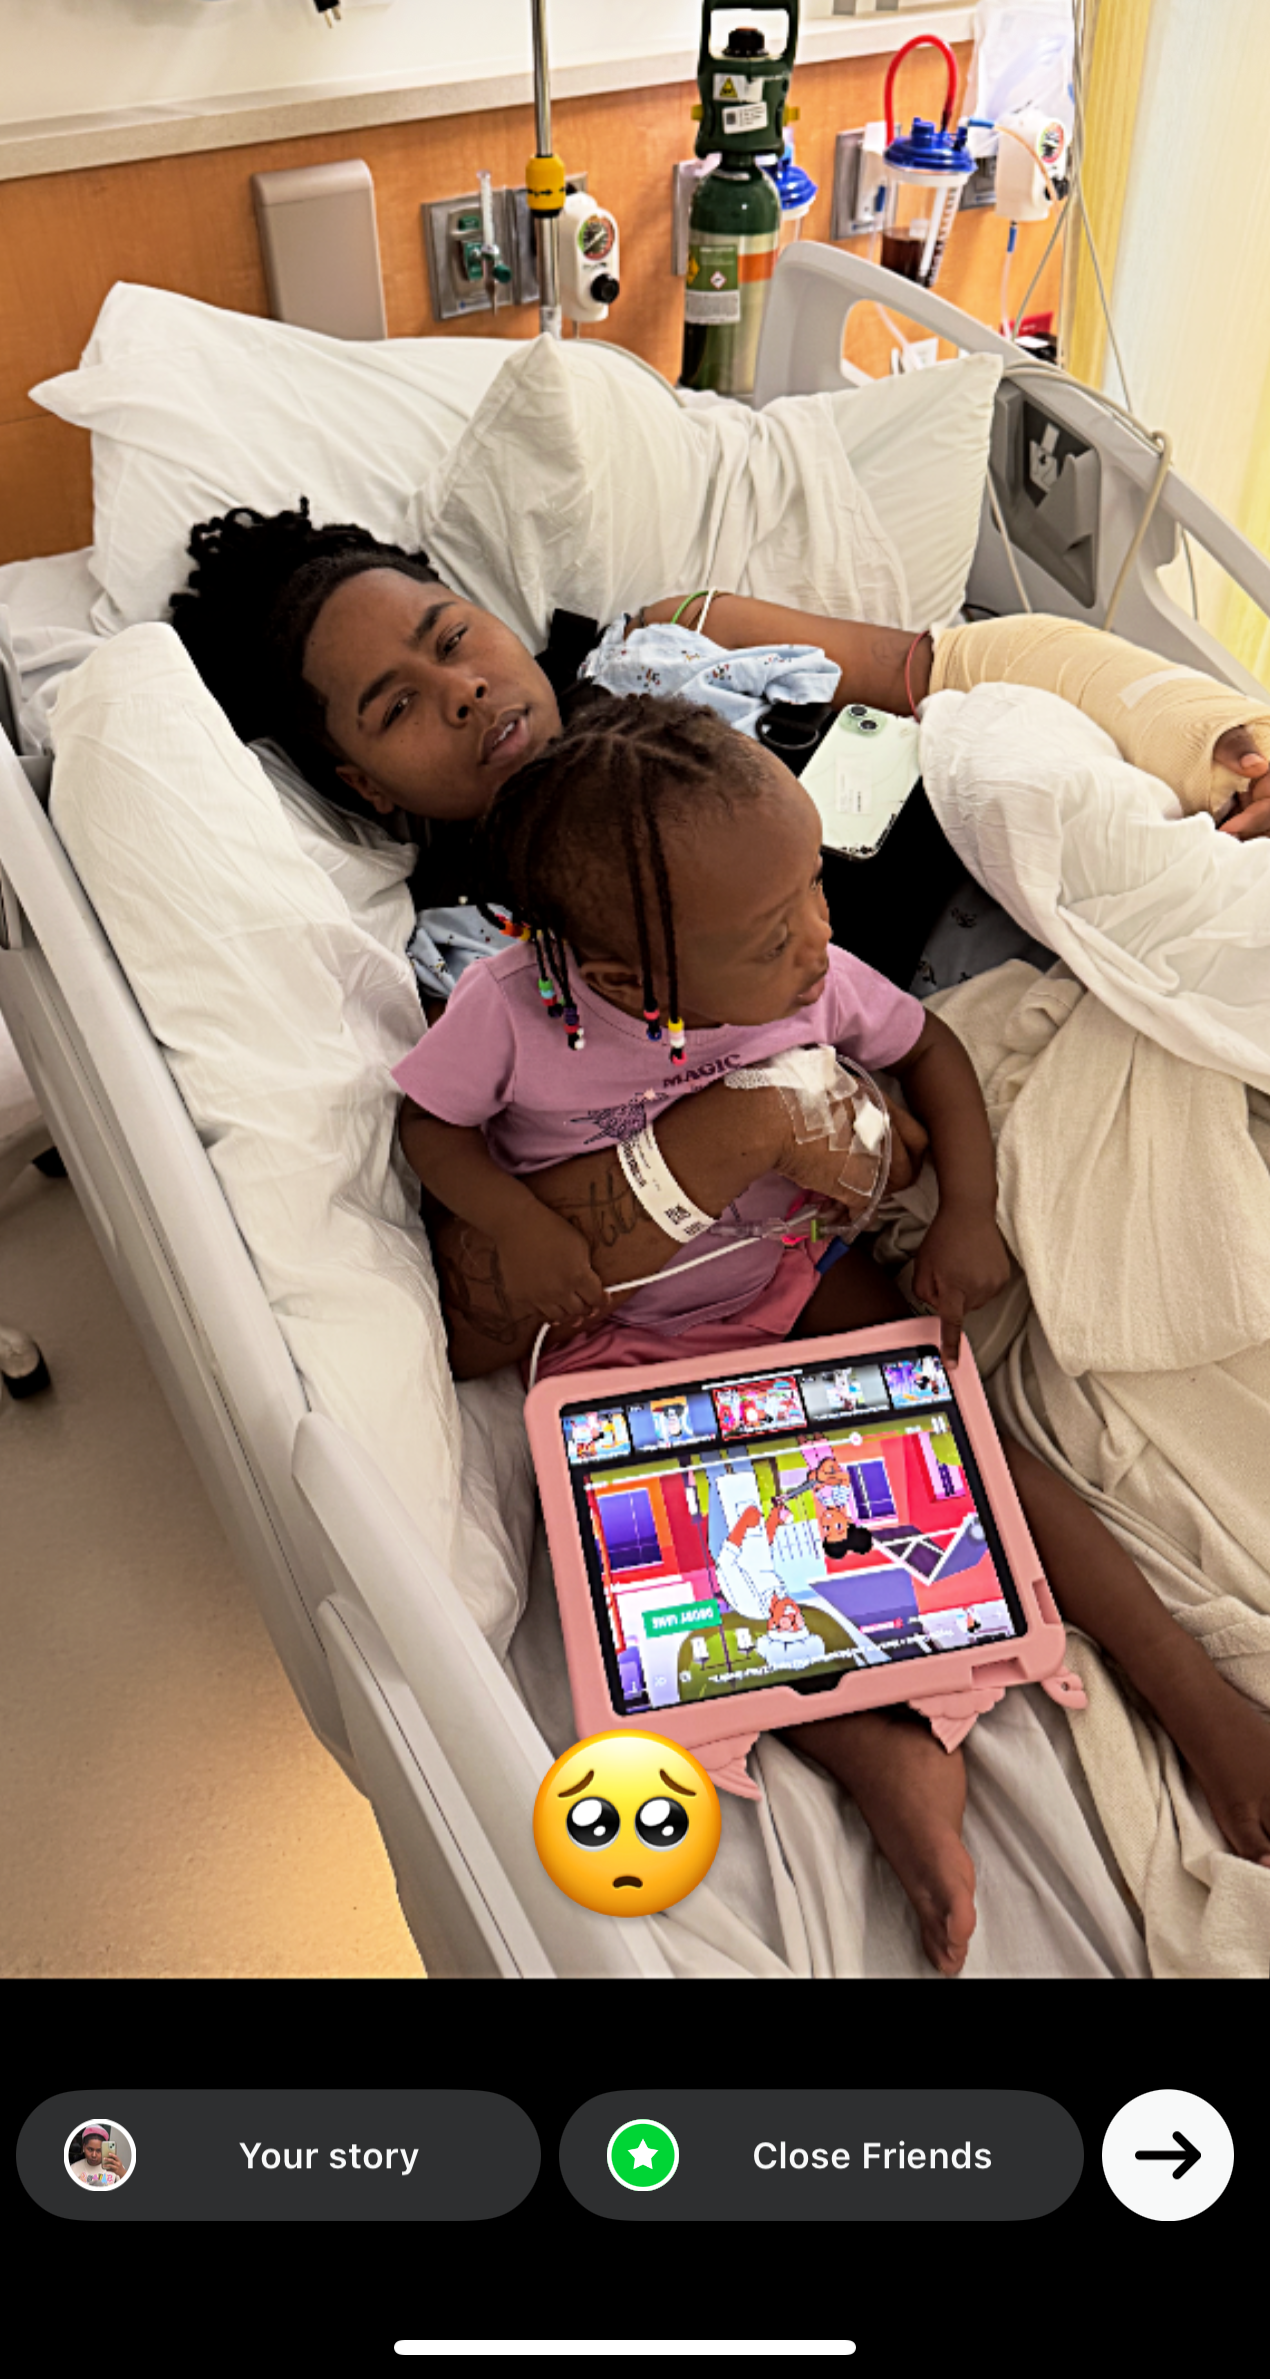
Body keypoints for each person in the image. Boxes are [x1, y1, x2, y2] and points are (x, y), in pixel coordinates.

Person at [169, 508, 1270, 1954]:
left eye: (452, 637)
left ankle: (1192, 1696)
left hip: (1050, 955)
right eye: (399, 706)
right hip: (808, 1203)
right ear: (359, 781)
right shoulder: (485, 963)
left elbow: (949, 666)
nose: (466, 688)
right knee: (701, 1520)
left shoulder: (669, 650)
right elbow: (476, 1237)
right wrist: (745, 1138)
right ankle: (881, 1754)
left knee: (958, 1408)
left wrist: (1208, 732)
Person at [394, 691, 1270, 1966]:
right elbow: (431, 1131)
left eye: (814, 883)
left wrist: (966, 1211)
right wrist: (517, 1226)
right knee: (704, 1563)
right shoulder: (514, 1015)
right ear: (629, 979)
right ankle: (884, 1762)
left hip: (797, 1280)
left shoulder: (812, 976)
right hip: (619, 1333)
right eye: (774, 931)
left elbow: (933, 1058)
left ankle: (1193, 1699)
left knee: (972, 1444)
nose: (820, 936)